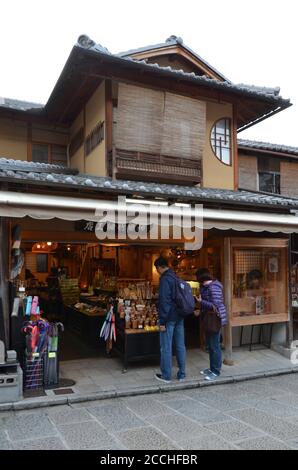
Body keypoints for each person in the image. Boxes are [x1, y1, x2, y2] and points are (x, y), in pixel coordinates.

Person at [154, 256, 186, 383]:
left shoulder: (165, 279)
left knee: (166, 347)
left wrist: (162, 321)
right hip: (179, 316)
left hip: (169, 318)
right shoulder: (175, 276)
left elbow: (164, 301)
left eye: (157, 269)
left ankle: (166, 376)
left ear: (160, 267)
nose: (157, 271)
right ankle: (182, 374)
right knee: (180, 346)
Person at [195, 268, 227, 381]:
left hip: (215, 319)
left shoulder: (214, 287)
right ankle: (211, 368)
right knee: (211, 345)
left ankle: (216, 371)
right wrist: (200, 309)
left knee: (215, 346)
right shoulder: (206, 286)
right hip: (209, 318)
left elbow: (215, 305)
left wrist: (201, 302)